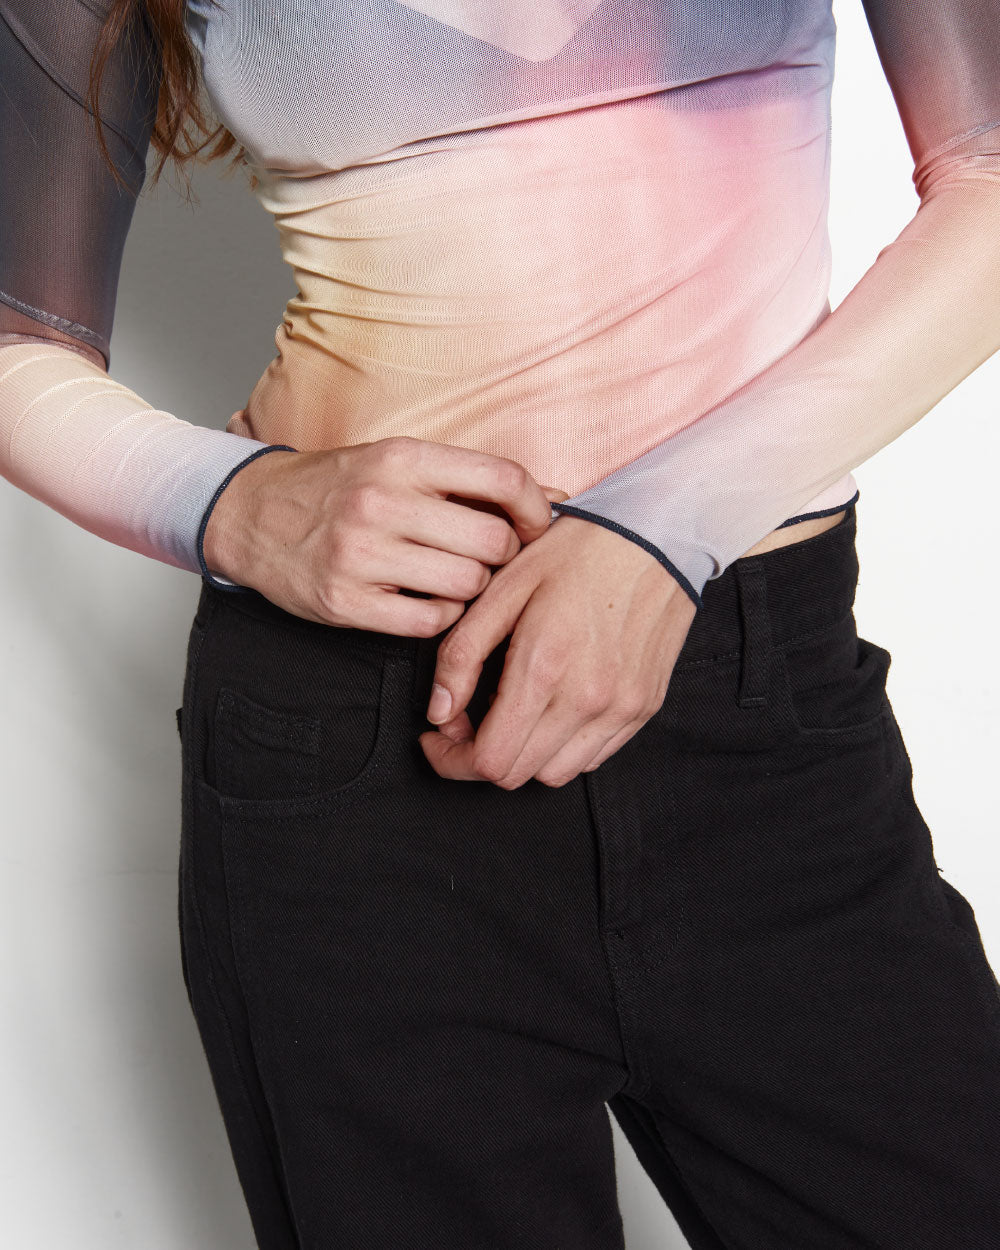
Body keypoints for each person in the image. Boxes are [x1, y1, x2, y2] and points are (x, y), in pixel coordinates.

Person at [1, 0, 998, 1246]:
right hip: (355, 751)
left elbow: (987, 172)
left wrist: (660, 530)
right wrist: (234, 502)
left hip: (763, 716)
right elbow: (16, 343)